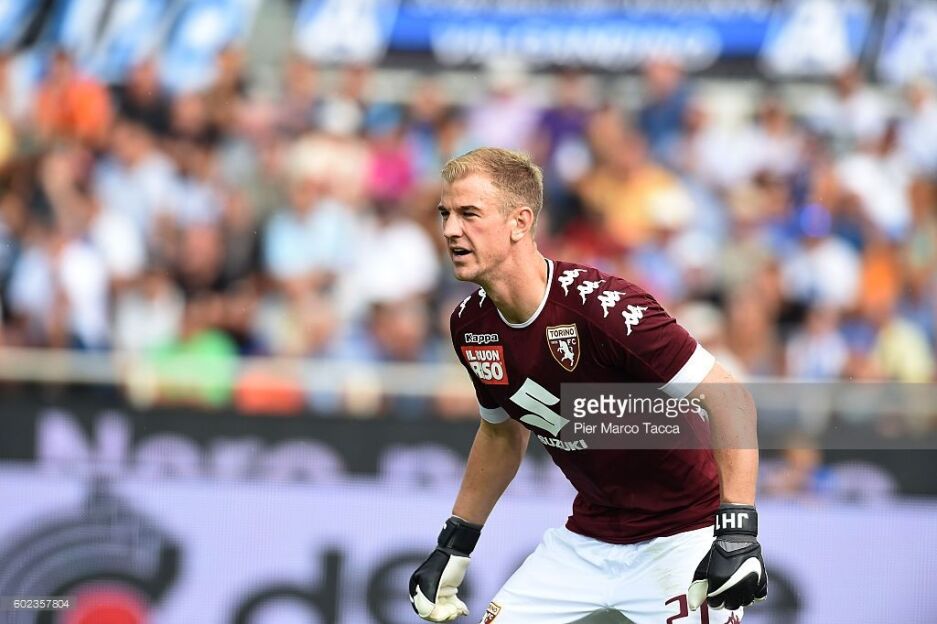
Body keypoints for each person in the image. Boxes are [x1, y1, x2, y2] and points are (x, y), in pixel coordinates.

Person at [409, 148, 768, 623]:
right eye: (445, 214)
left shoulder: (607, 309)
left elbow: (730, 400)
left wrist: (738, 531)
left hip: (685, 536)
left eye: (469, 214)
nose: (451, 230)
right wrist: (455, 541)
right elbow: (501, 434)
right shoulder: (469, 326)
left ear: (520, 222)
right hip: (587, 539)